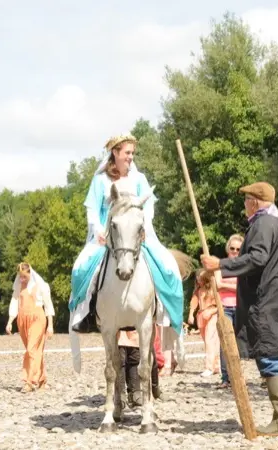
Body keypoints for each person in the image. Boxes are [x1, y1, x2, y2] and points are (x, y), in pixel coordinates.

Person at [67, 134, 184, 371]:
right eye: (127, 153)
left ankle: (168, 315)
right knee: (79, 268)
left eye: (132, 153)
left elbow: (148, 208)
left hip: (138, 235)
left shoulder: (139, 179)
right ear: (115, 153)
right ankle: (86, 313)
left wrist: (143, 228)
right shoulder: (100, 181)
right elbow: (92, 210)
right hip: (106, 237)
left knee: (169, 268)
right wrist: (98, 231)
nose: (130, 157)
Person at [201, 181, 278, 438]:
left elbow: (258, 257)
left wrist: (221, 264)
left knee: (272, 358)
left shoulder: (261, 225)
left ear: (254, 202)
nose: (244, 205)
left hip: (268, 300)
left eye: (246, 200)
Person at [6, 263, 55, 392]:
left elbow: (48, 305)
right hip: (22, 319)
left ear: (30, 274)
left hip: (37, 318)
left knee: (31, 349)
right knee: (35, 351)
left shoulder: (41, 286)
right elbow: (15, 302)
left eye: (24, 276)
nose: (22, 279)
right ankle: (42, 379)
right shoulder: (19, 287)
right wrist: (10, 321)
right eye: (20, 276)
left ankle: (29, 381)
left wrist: (50, 325)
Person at [216, 234, 243, 388]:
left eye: (238, 249)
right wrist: (236, 287)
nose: (234, 251)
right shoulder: (221, 265)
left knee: (240, 342)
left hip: (240, 307)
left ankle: (237, 376)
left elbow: (244, 288)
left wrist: (228, 286)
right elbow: (218, 284)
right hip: (225, 307)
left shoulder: (243, 266)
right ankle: (226, 377)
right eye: (232, 248)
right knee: (225, 343)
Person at [188, 269, 220, 377]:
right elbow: (194, 301)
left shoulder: (213, 289)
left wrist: (211, 311)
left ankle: (209, 367)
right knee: (208, 342)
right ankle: (215, 365)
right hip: (201, 315)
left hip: (212, 314)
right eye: (198, 279)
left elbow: (220, 305)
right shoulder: (198, 290)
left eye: (201, 279)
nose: (199, 281)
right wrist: (191, 314)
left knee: (210, 339)